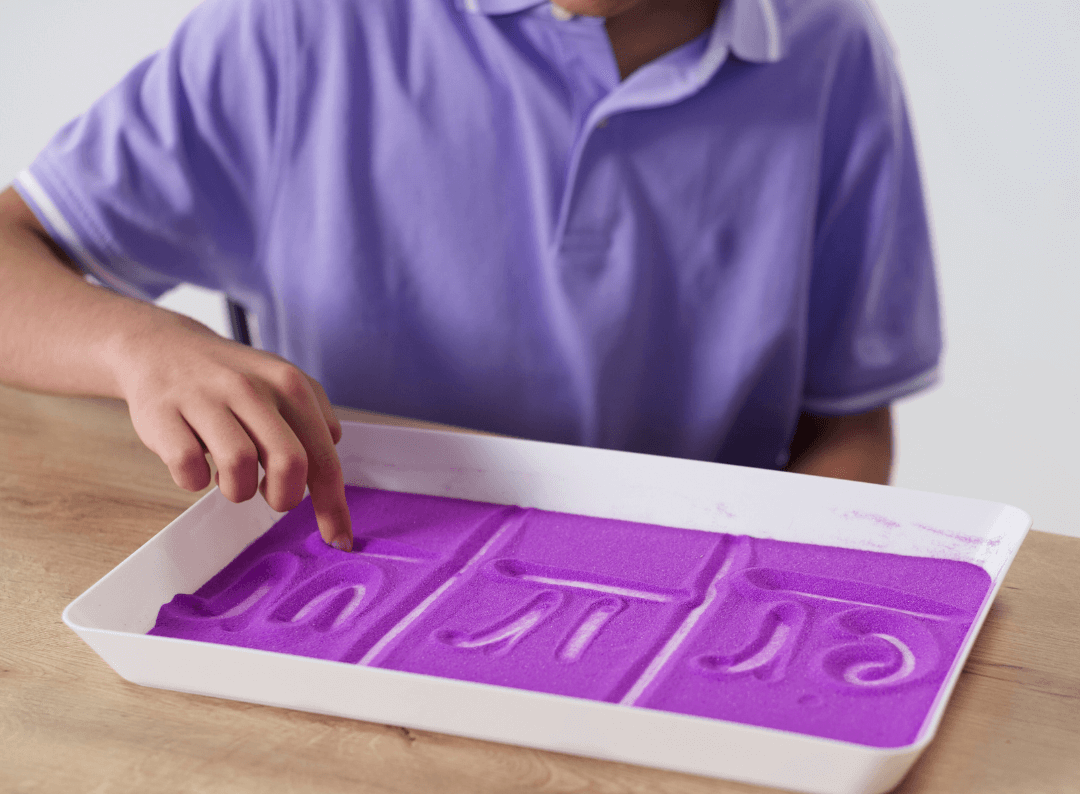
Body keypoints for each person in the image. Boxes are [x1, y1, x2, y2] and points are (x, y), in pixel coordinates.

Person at [0, 0, 940, 552]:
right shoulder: (296, 29)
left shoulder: (833, 50)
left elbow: (847, 421)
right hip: (350, 573)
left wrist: (780, 583)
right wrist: (138, 345)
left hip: (683, 603)